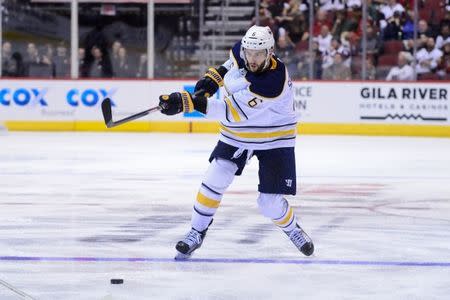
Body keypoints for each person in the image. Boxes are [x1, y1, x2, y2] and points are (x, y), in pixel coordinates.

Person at [157, 25, 314, 260]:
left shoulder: (273, 81)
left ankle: (292, 229)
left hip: (275, 137)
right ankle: (196, 232)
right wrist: (210, 81)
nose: (251, 58)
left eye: (258, 54)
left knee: (269, 204)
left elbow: (229, 111)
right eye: (249, 52)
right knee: (214, 179)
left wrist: (187, 102)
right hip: (239, 133)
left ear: (270, 52)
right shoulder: (244, 51)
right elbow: (228, 67)